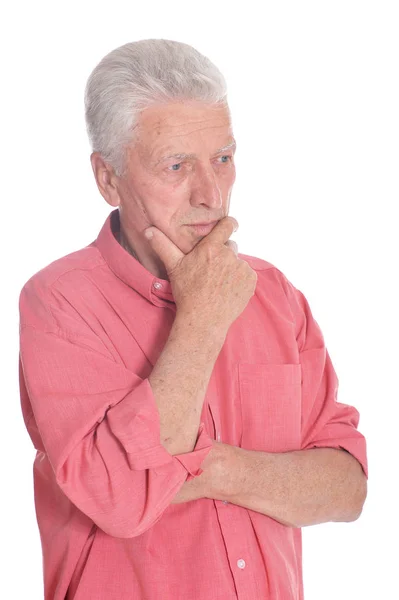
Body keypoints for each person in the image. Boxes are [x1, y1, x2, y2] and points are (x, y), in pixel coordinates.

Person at [18, 39, 368, 600]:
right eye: (176, 166)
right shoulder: (58, 303)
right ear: (107, 179)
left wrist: (205, 469)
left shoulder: (274, 292)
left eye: (223, 159)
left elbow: (346, 490)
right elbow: (123, 500)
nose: (212, 194)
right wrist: (202, 321)